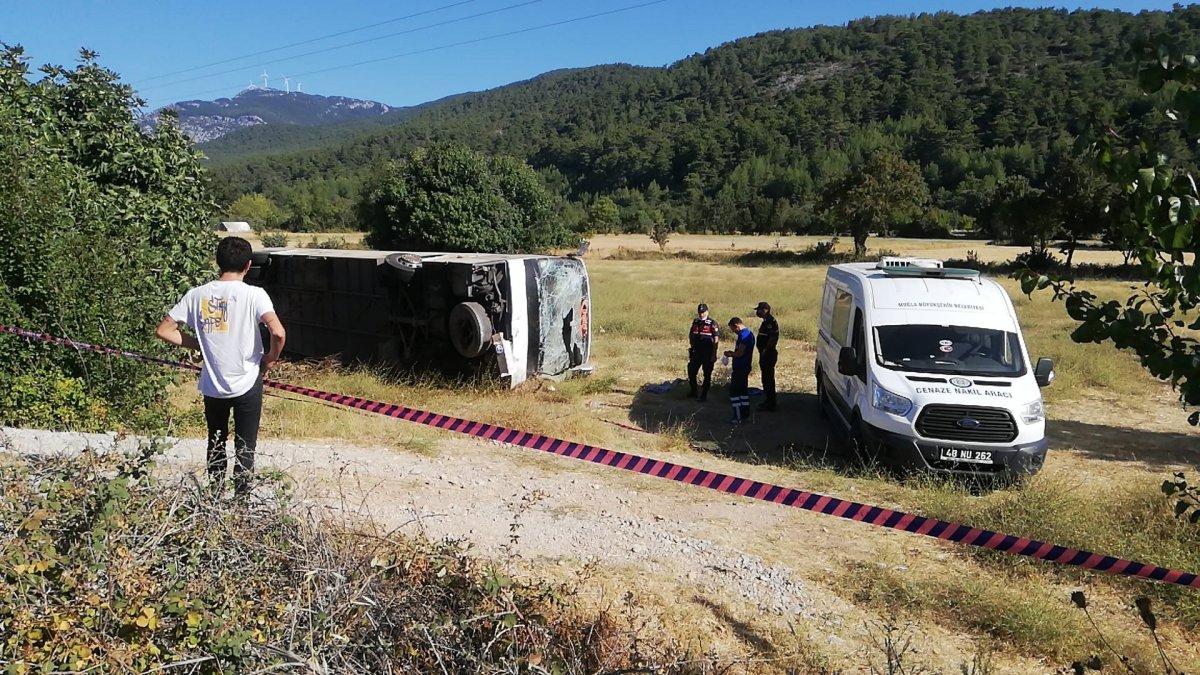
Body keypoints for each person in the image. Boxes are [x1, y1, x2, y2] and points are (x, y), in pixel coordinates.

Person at [155, 237, 286, 493]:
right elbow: (278, 332)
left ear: (217, 262)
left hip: (213, 384)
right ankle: (241, 503)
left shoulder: (196, 295)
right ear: (248, 265)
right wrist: (271, 358)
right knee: (245, 446)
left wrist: (200, 345)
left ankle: (213, 498)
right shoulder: (255, 295)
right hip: (248, 382)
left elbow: (164, 330)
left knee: (215, 441)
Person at [723, 317, 755, 425]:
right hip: (744, 367)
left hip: (741, 367)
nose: (733, 331)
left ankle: (737, 416)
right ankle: (745, 414)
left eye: (733, 329)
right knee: (743, 392)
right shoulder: (748, 334)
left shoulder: (744, 335)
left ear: (737, 325)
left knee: (734, 392)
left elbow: (740, 352)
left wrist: (730, 354)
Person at [687, 303, 720, 401]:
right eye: (699, 312)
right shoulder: (696, 321)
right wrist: (692, 346)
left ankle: (704, 394)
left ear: (707, 312)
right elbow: (691, 334)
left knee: (707, 374)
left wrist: (714, 354)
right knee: (691, 371)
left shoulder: (712, 323)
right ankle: (694, 391)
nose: (701, 314)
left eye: (703, 312)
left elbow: (716, 339)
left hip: (707, 353)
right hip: (696, 352)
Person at [754, 301, 779, 412]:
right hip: (765, 354)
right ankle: (768, 401)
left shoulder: (769, 322)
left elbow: (773, 338)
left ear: (765, 310)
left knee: (768, 378)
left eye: (759, 310)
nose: (757, 312)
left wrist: (765, 350)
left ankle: (770, 403)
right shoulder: (766, 321)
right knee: (766, 378)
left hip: (768, 354)